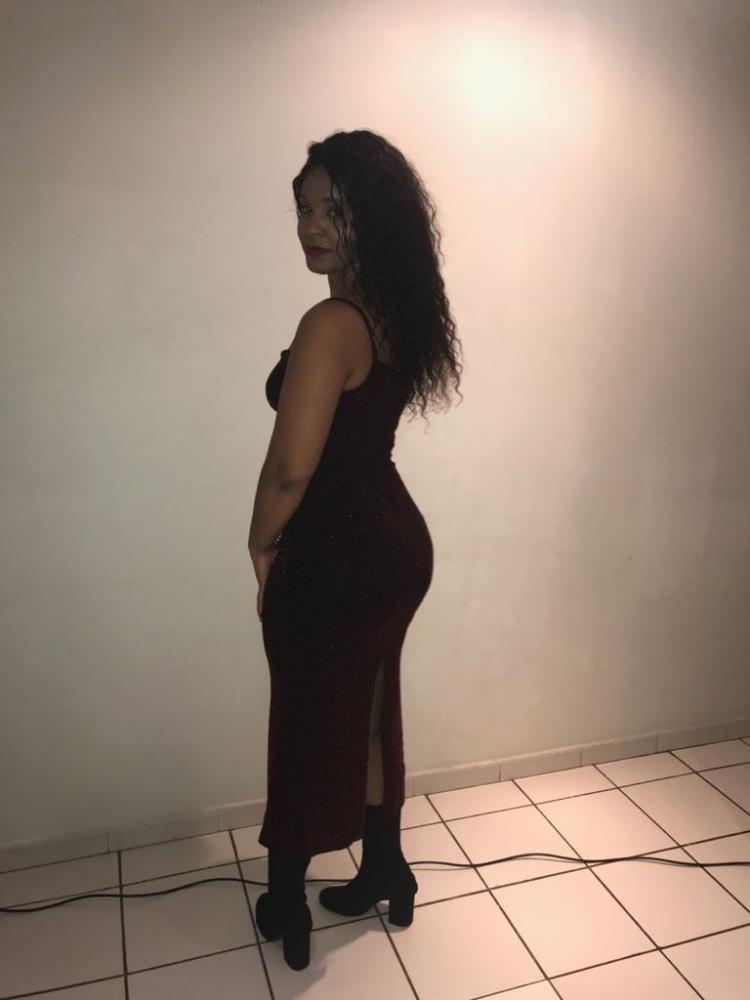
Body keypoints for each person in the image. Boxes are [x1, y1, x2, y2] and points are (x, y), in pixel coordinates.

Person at [247, 129, 463, 970]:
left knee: (305, 718)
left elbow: (290, 469)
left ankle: (286, 902)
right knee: (369, 710)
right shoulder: (392, 312)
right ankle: (384, 866)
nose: (311, 225)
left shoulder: (332, 323)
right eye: (303, 208)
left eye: (333, 210)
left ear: (371, 217)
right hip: (393, 546)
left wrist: (260, 543)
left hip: (335, 551)